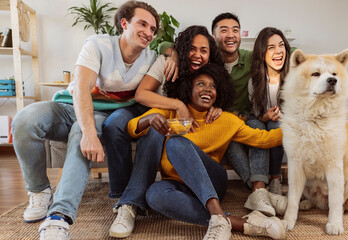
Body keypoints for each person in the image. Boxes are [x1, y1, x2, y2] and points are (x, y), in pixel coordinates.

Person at [11, 1, 160, 239]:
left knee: (81, 132)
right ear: (124, 23)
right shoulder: (98, 44)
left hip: (101, 114)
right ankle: (39, 191)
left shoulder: (152, 58)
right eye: (142, 24)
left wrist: (172, 52)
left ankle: (59, 217)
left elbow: (170, 52)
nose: (149, 32)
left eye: (153, 28)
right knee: (24, 119)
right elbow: (81, 88)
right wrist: (91, 133)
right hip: (68, 106)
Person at [128, 64, 287, 240]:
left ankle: (217, 216)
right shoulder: (171, 112)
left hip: (213, 180)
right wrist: (148, 119)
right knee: (154, 195)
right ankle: (239, 223)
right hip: (178, 184)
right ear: (188, 89)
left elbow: (264, 139)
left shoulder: (226, 120)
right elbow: (131, 127)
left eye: (213, 86)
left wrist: (302, 126)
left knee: (175, 144)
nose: (208, 90)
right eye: (201, 84)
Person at [107, 25, 225, 238]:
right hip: (163, 133)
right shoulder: (168, 63)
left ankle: (221, 217)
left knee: (164, 135)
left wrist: (218, 108)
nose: (197, 55)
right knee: (154, 129)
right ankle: (130, 204)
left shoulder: (211, 76)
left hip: (196, 155)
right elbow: (142, 94)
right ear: (183, 48)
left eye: (204, 50)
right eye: (192, 48)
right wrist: (177, 105)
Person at [211, 13, 288, 216]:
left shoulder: (250, 56)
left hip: (248, 119)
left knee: (257, 127)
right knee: (232, 141)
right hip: (224, 123)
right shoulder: (207, 61)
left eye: (235, 30)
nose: (230, 35)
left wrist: (283, 49)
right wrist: (171, 51)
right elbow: (173, 46)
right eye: (224, 30)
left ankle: (259, 189)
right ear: (213, 35)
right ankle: (262, 192)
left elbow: (287, 50)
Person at [243, 27, 291, 216]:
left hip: (283, 124)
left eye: (281, 45)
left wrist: (278, 117)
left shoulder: (293, 78)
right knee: (256, 125)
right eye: (271, 47)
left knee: (275, 125)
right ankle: (259, 187)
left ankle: (275, 179)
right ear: (262, 54)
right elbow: (257, 113)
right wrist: (266, 116)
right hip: (261, 120)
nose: (278, 51)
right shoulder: (254, 82)